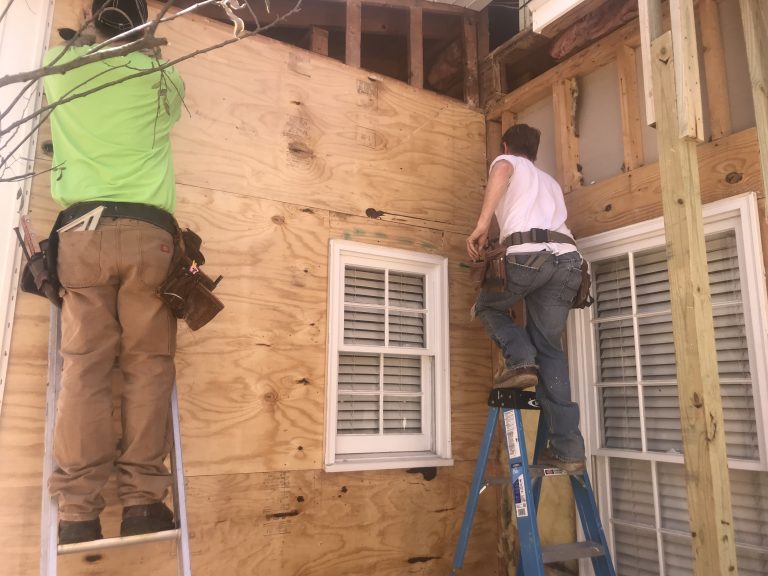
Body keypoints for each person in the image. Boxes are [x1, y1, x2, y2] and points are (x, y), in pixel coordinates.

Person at [43, 0, 185, 544]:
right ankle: (144, 504)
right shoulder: (159, 74)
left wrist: (83, 38)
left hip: (81, 232)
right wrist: (146, 48)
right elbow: (171, 109)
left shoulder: (62, 68)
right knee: (148, 366)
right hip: (149, 234)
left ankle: (78, 512)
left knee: (84, 368)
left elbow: (72, 56)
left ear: (93, 17)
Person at [467, 124, 586, 472]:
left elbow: (502, 171)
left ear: (507, 145)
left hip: (527, 255)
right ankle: (569, 450)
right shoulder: (548, 182)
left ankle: (520, 361)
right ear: (535, 151)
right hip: (568, 262)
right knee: (550, 347)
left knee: (487, 305)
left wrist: (482, 226)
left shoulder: (506, 161)